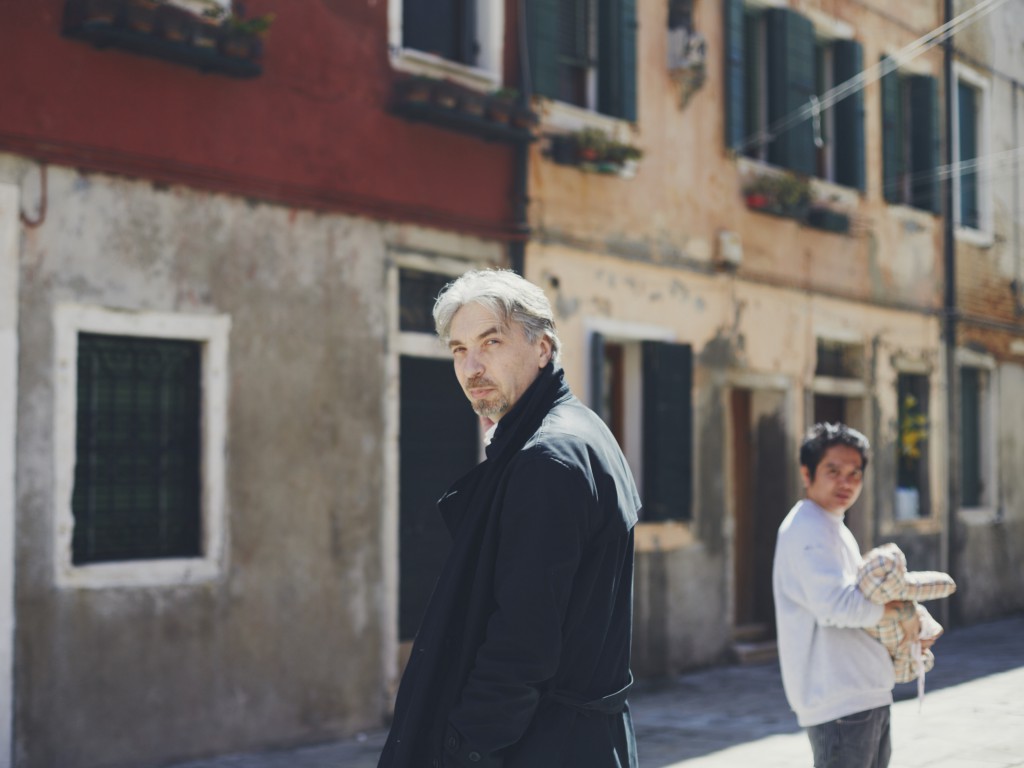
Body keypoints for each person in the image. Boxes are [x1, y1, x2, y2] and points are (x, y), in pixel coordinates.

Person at [378, 269, 640, 768]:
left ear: (542, 348)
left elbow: (522, 641)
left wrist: (465, 747)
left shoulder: (548, 458)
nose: (471, 367)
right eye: (459, 350)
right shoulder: (578, 431)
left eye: (491, 342)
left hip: (544, 748)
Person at [773, 422, 936, 768]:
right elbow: (837, 606)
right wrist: (902, 613)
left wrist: (911, 620)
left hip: (863, 694)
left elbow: (861, 599)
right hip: (839, 702)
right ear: (807, 473)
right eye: (833, 471)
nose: (845, 482)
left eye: (854, 473)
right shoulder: (807, 529)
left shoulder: (832, 525)